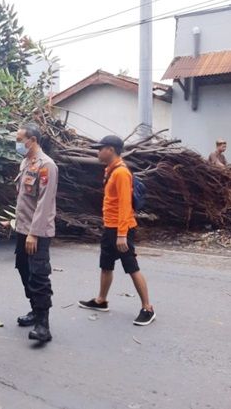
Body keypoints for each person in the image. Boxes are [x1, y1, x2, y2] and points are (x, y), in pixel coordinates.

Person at [79, 135, 156, 326]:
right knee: (106, 265)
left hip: (121, 230)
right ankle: (101, 300)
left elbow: (124, 205)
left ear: (111, 150)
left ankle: (148, 308)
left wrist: (122, 234)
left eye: (100, 148)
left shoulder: (121, 173)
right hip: (110, 227)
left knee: (131, 267)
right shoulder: (111, 170)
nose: (98, 152)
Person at [12, 123, 59, 343]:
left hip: (36, 233)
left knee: (39, 275)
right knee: (24, 269)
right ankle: (34, 310)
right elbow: (24, 199)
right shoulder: (25, 162)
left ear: (32, 140)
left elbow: (44, 203)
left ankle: (43, 325)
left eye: (20, 139)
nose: (18, 143)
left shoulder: (46, 166)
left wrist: (34, 233)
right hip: (22, 229)